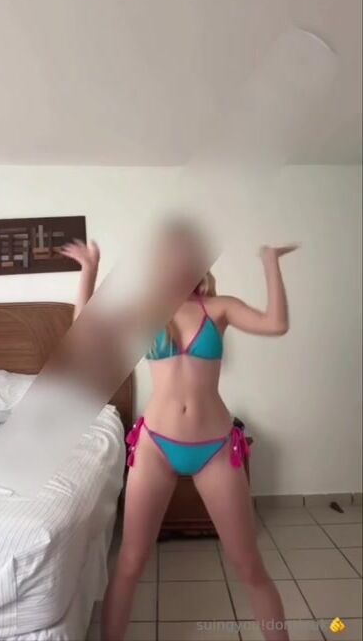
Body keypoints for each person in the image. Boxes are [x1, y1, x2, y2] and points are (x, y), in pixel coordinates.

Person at [61, 224, 297, 641]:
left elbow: (276, 324)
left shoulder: (220, 307)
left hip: (216, 447)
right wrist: (89, 271)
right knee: (131, 562)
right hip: (156, 445)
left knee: (248, 564)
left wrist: (270, 263)